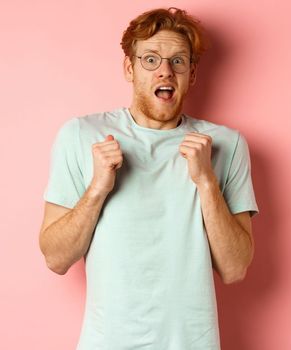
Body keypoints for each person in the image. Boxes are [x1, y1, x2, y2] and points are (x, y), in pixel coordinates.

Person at [38, 7, 259, 349]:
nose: (165, 72)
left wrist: (206, 182)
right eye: (151, 60)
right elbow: (55, 258)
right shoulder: (82, 135)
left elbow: (235, 268)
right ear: (130, 67)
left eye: (178, 61)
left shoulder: (226, 144)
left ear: (192, 74)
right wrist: (97, 189)